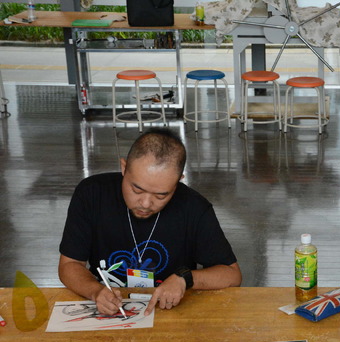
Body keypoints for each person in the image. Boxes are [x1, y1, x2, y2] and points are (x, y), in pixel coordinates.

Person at [58, 128, 241, 316]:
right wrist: (95, 291)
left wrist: (185, 279)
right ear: (124, 167)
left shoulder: (194, 208)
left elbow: (232, 274)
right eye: (137, 190)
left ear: (178, 181)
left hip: (171, 312)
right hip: (107, 309)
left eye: (161, 195)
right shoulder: (92, 194)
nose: (146, 204)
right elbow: (69, 265)